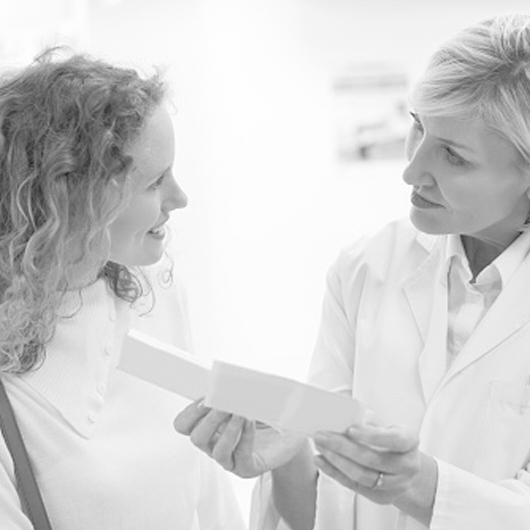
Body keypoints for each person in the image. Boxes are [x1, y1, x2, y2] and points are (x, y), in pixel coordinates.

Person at [175, 12, 530, 530]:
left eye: (452, 156)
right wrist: (289, 457)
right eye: (417, 127)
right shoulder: (365, 269)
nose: (410, 170)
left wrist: (417, 484)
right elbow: (323, 510)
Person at [0, 50, 245, 529]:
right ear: (75, 195)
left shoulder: (153, 293)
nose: (180, 198)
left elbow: (208, 496)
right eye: (155, 182)